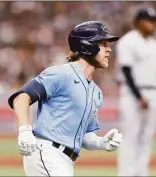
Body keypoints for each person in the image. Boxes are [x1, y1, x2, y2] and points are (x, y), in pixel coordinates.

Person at [8, 21, 123, 176]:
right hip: (47, 152)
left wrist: (101, 143)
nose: (108, 49)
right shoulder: (61, 74)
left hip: (65, 160)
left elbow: (84, 136)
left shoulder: (96, 92)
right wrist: (24, 130)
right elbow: (21, 97)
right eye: (102, 43)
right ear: (86, 46)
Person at [116, 8, 156, 176]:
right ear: (139, 21)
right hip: (132, 95)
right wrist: (139, 96)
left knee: (146, 138)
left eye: (154, 21)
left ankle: (141, 172)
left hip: (153, 93)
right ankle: (126, 173)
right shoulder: (127, 41)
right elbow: (126, 71)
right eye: (150, 20)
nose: (153, 24)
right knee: (130, 136)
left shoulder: (154, 44)